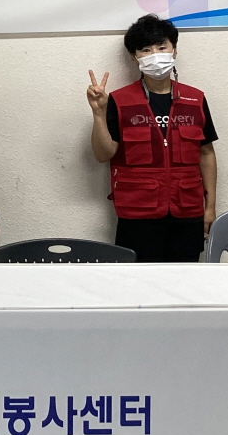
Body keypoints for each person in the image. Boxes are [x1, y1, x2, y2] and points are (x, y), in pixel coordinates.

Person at [86, 13, 219, 262]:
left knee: (186, 279)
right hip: (137, 215)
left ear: (174, 50)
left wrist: (210, 208)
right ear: (134, 57)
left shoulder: (195, 99)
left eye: (162, 47)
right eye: (146, 50)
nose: (155, 55)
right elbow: (103, 155)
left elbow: (206, 154)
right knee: (138, 280)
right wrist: (99, 114)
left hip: (188, 212)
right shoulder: (118, 100)